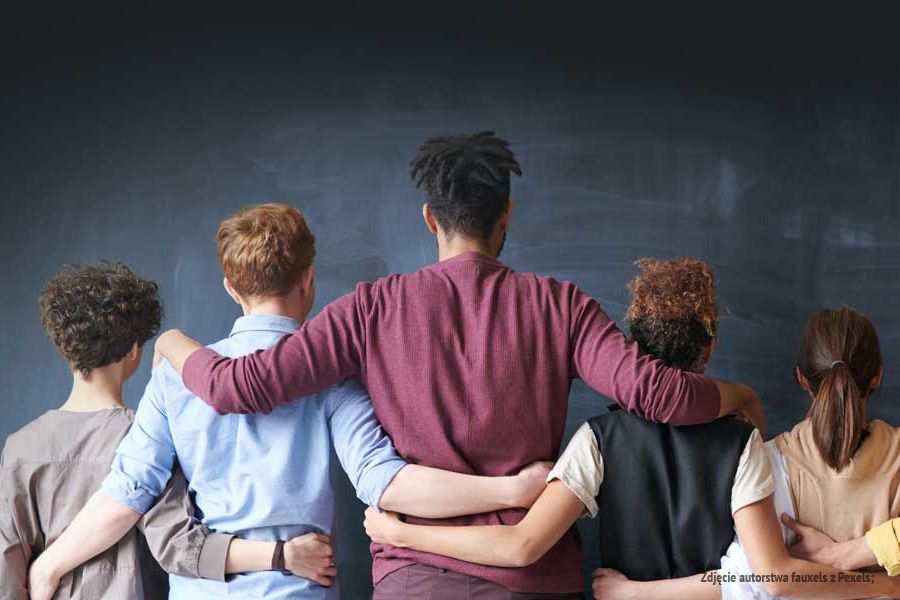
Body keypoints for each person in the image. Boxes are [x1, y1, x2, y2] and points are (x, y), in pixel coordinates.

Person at [153, 132, 764, 598]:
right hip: (532, 581)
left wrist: (170, 342)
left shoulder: (370, 308)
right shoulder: (561, 306)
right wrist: (735, 394)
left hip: (414, 581)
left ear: (429, 218)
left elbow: (238, 386)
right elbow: (659, 396)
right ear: (506, 217)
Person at [27, 204, 551, 600]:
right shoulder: (334, 381)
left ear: (232, 288)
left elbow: (125, 496)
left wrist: (49, 567)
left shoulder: (174, 381)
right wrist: (512, 489)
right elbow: (384, 483)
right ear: (309, 281)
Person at [0, 263, 311, 600]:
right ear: (135, 349)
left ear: (66, 348)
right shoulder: (146, 435)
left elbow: (7, 565)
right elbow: (180, 545)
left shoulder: (19, 447)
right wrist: (283, 555)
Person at [588, 305, 900, 599]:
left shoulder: (770, 460)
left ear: (801, 377)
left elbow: (744, 580)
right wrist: (886, 583)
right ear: (877, 376)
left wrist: (635, 593)